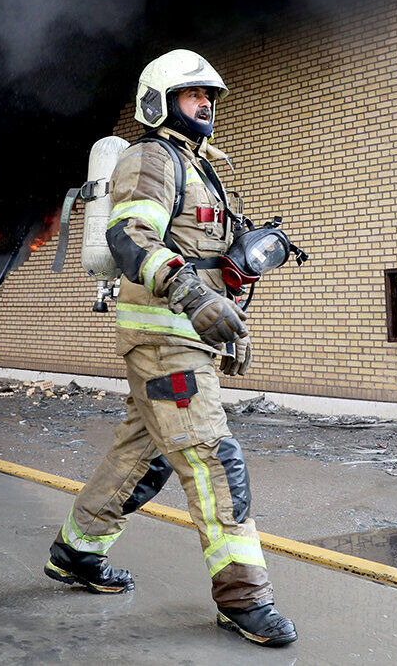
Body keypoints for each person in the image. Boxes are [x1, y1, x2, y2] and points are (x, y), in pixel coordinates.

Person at [43, 49, 297, 647]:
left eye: (210, 96)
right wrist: (192, 298)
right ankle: (243, 598)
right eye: (192, 95)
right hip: (162, 339)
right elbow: (130, 235)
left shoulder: (202, 167)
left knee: (140, 459)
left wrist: (231, 324)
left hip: (183, 340)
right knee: (213, 460)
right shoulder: (151, 157)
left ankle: (74, 554)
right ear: (158, 102)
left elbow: (220, 269)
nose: (206, 103)